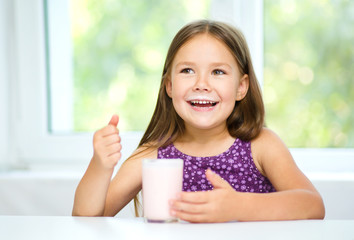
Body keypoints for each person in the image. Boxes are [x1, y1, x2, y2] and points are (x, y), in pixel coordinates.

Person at [72, 20, 325, 222]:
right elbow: (87, 218)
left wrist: (239, 206)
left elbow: (313, 205)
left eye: (218, 72)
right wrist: (100, 165)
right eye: (187, 71)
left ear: (241, 87)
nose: (201, 84)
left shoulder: (261, 145)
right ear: (169, 86)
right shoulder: (154, 156)